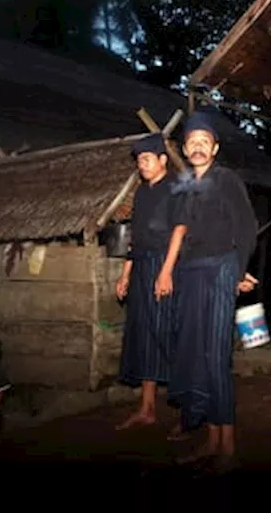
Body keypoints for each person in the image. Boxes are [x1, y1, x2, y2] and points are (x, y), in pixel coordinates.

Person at [156, 111, 258, 474]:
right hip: (191, 273)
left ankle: (228, 448)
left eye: (205, 141)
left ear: (214, 148)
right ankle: (211, 442)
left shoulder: (226, 179)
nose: (198, 146)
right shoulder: (185, 186)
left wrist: (238, 269)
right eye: (192, 142)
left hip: (220, 268)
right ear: (185, 148)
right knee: (196, 356)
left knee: (216, 356)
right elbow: (180, 233)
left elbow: (247, 226)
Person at [114, 133, 178, 431]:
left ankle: (188, 410)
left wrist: (165, 271)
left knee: (169, 334)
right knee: (143, 334)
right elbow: (135, 237)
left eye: (147, 159)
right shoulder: (141, 193)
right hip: (141, 265)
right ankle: (146, 408)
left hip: (168, 266)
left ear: (163, 159)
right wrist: (126, 274)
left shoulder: (176, 188)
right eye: (139, 160)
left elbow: (182, 232)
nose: (142, 165)